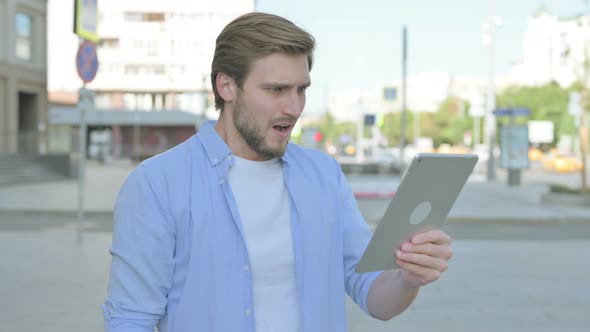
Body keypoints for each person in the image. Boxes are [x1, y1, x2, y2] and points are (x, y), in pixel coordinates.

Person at [102, 12, 453, 332]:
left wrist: (408, 277)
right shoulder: (157, 184)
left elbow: (375, 298)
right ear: (226, 87)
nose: (294, 107)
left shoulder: (323, 175)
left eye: (301, 89)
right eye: (276, 90)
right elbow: (130, 320)